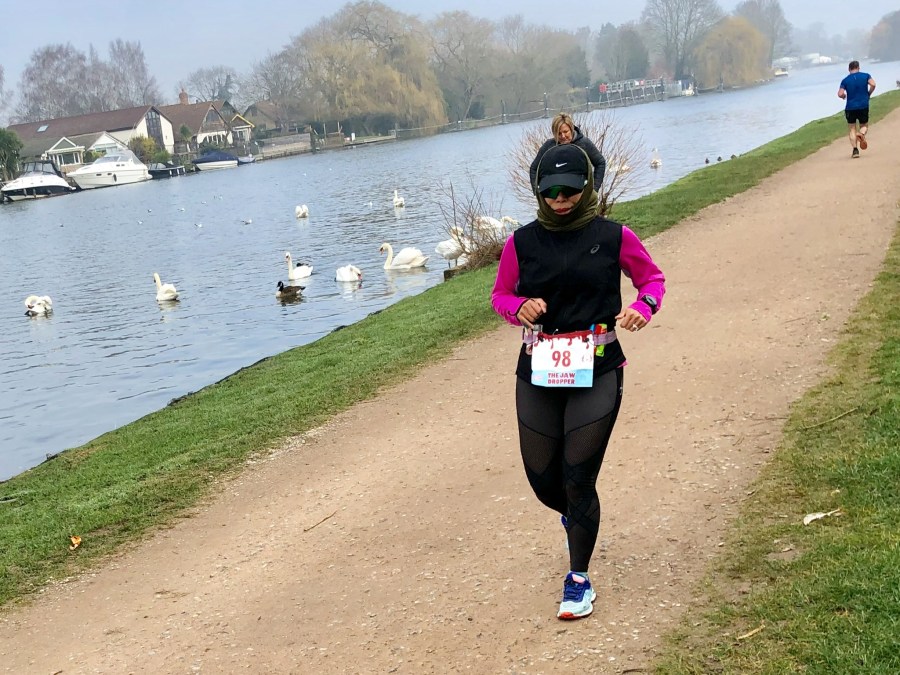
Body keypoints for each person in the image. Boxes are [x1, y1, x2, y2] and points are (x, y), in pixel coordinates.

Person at [491, 144, 666, 620]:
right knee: (543, 480)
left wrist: (643, 307)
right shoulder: (521, 243)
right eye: (551, 192)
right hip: (538, 370)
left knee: (578, 477)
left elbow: (652, 280)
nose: (561, 200)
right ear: (538, 192)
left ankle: (578, 580)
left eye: (570, 191)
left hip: (598, 368)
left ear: (587, 186)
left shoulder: (614, 236)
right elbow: (501, 294)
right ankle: (576, 514)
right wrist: (517, 308)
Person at [529, 112, 606, 194]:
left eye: (566, 132)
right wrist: (537, 192)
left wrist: (594, 189)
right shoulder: (549, 146)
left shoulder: (584, 143)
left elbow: (600, 163)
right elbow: (534, 168)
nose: (563, 136)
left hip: (581, 194)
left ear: (571, 129)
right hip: (556, 196)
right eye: (559, 133)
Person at [838, 60, 876, 159]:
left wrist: (843, 96)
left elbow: (840, 93)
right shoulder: (866, 76)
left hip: (850, 107)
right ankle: (861, 133)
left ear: (849, 69)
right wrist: (868, 94)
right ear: (858, 67)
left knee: (852, 128)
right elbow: (873, 84)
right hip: (863, 105)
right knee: (864, 125)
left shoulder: (845, 80)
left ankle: (855, 150)